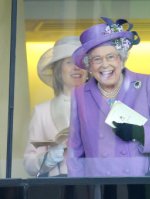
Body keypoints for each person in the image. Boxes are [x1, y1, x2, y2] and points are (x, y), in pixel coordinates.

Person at [67, 17, 150, 177]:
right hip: (101, 186)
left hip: (143, 185)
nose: (105, 65)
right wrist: (77, 189)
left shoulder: (147, 84)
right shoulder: (79, 94)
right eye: (97, 59)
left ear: (121, 59)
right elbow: (75, 150)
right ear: (89, 66)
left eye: (111, 57)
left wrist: (139, 133)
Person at [23, 36, 88, 177]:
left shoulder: (101, 107)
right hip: (57, 188)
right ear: (58, 70)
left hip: (95, 187)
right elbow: (29, 163)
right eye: (69, 62)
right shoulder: (42, 111)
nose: (76, 67)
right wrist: (48, 159)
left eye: (81, 61)